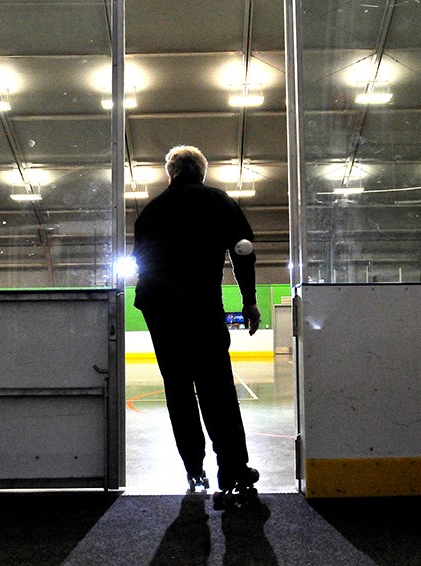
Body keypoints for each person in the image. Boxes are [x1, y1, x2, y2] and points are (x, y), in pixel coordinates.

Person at [133, 145, 262, 497]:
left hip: (161, 312)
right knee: (217, 389)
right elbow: (243, 252)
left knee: (178, 390)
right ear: (201, 173)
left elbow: (140, 265)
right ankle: (233, 470)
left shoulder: (151, 211)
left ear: (170, 174)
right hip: (203, 308)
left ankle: (194, 470)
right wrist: (249, 302)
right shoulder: (218, 201)